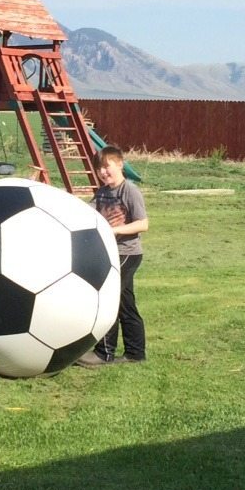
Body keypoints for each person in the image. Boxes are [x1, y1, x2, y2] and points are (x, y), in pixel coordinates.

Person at [76, 145, 148, 367]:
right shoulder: (103, 192)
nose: (104, 172)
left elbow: (143, 223)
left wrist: (115, 231)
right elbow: (86, 214)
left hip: (127, 253)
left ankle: (104, 353)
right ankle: (136, 354)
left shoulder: (129, 191)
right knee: (126, 303)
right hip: (110, 254)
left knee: (109, 300)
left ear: (120, 164)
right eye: (100, 169)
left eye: (107, 167)